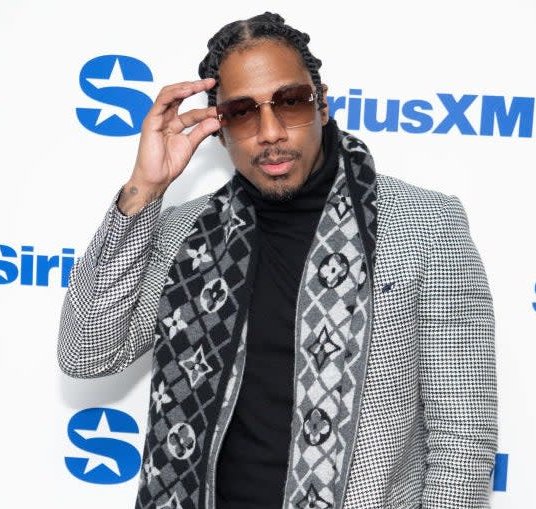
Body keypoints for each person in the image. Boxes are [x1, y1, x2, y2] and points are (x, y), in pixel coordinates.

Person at [58, 12, 497, 509]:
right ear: (219, 129)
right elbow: (87, 355)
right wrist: (145, 188)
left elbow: (462, 438)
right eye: (243, 112)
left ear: (322, 103)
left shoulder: (423, 226)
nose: (270, 132)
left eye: (289, 102)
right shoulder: (186, 231)